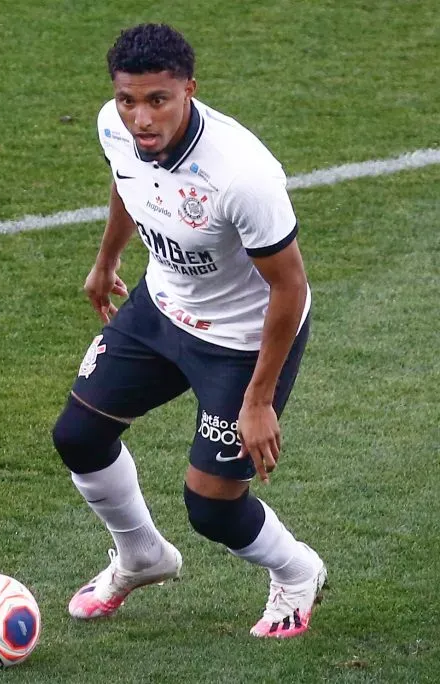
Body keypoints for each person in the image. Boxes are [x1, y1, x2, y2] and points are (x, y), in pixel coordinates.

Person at [50, 23, 326, 638]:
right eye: (128, 100)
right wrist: (106, 261)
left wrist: (257, 400)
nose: (140, 118)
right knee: (79, 436)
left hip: (242, 341)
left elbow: (290, 287)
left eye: (157, 100)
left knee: (210, 504)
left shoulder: (242, 175)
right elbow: (132, 186)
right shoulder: (114, 127)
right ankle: (142, 555)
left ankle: (297, 569)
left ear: (189, 91)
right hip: (163, 305)